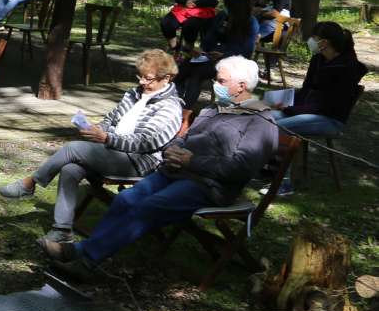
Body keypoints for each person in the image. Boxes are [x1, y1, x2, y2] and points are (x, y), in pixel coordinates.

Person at [38, 56, 279, 275]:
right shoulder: (213, 110)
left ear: (241, 86)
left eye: (221, 81)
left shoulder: (260, 122)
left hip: (208, 186)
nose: (215, 84)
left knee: (150, 206)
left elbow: (240, 168)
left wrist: (192, 161)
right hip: (175, 171)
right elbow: (185, 138)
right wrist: (173, 149)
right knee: (125, 200)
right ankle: (83, 251)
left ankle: (86, 259)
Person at [0, 50, 183, 242]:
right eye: (140, 76)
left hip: (137, 161)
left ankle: (30, 184)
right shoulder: (134, 93)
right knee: (70, 169)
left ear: (166, 78)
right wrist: (96, 129)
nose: (142, 82)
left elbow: (146, 142)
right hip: (112, 151)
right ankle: (62, 230)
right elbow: (111, 118)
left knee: (73, 148)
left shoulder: (170, 107)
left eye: (148, 78)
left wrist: (107, 138)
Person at [271, 22, 367, 140]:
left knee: (272, 127)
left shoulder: (346, 68)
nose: (310, 41)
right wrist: (288, 104)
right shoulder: (318, 59)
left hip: (329, 119)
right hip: (307, 111)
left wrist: (291, 109)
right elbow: (307, 88)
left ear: (324, 42)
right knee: (263, 118)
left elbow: (328, 105)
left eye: (314, 38)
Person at [175, 0, 257, 110]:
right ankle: (175, 103)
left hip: (232, 62)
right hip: (210, 56)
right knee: (182, 69)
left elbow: (246, 51)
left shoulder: (250, 23)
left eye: (227, 5)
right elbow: (210, 37)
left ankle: (185, 110)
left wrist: (224, 55)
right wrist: (201, 50)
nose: (225, 8)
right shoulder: (222, 16)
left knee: (197, 74)